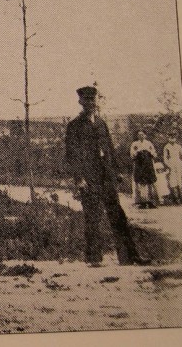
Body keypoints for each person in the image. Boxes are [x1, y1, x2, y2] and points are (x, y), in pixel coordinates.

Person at [64, 86, 149, 266]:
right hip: (89, 177)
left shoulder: (101, 123)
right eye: (86, 100)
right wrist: (79, 179)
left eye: (93, 100)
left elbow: (109, 149)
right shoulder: (74, 126)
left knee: (117, 214)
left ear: (97, 101)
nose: (90, 103)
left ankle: (128, 257)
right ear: (80, 102)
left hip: (106, 176)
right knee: (92, 216)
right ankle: (94, 258)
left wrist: (115, 171)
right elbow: (71, 155)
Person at [130, 130, 158, 209]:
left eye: (142, 135)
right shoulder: (135, 144)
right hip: (139, 165)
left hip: (148, 164)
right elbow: (132, 155)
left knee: (149, 182)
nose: (141, 136)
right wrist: (137, 151)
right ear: (137, 136)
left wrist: (149, 151)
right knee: (141, 182)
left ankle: (150, 202)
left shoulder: (149, 143)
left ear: (145, 135)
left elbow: (154, 153)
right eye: (139, 135)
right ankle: (142, 202)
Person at [163, 133, 182, 204]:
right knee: (173, 180)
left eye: (173, 137)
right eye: (170, 137)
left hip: (178, 163)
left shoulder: (178, 146)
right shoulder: (167, 147)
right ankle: (175, 197)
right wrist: (168, 165)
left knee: (180, 180)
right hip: (171, 163)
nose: (172, 138)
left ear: (175, 138)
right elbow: (165, 158)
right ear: (168, 138)